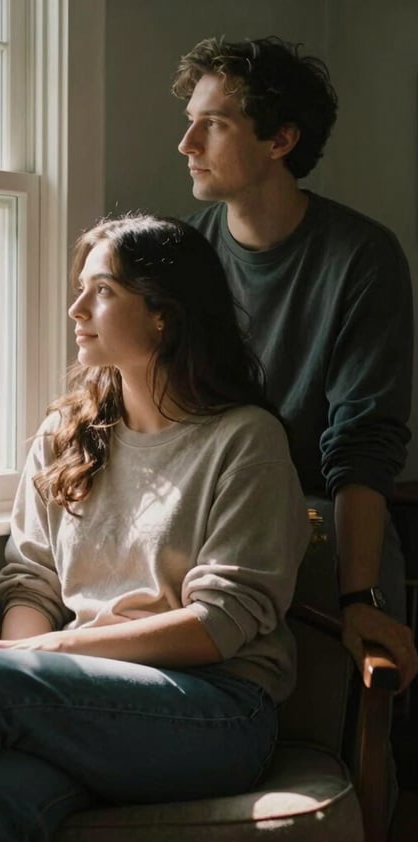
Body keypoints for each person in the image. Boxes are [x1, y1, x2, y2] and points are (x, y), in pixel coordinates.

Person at [0, 214, 310, 842]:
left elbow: (219, 625)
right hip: (87, 699)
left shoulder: (245, 440)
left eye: (103, 290)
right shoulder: (68, 437)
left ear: (165, 312)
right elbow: (31, 582)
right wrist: (33, 656)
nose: (76, 308)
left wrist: (47, 654)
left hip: (213, 712)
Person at [172, 35, 418, 692]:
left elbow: (364, 441)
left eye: (214, 124)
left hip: (318, 514)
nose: (186, 143)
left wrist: (358, 598)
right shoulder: (184, 257)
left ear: (280, 141)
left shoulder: (362, 258)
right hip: (209, 510)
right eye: (189, 120)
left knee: (355, 691)